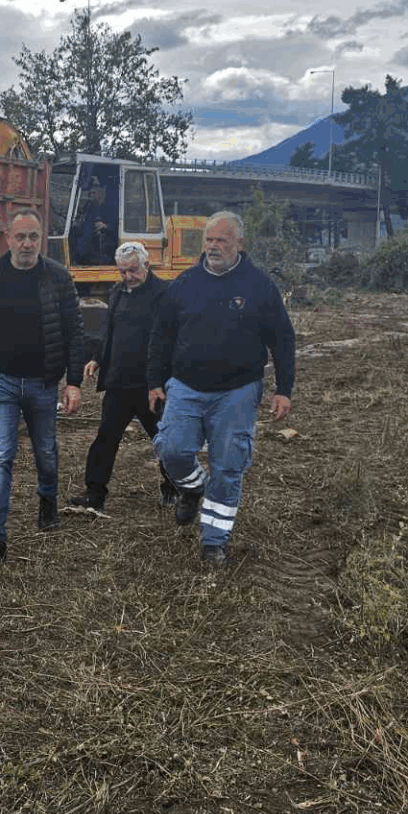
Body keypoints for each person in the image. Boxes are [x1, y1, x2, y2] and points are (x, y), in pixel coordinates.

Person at [148, 211, 295, 565]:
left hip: (237, 390)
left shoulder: (259, 286)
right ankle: (193, 487)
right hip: (186, 386)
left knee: (228, 465)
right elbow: (160, 336)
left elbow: (282, 339)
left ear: (239, 244)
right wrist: (154, 382)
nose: (213, 247)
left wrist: (283, 389)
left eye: (221, 241)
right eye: (209, 240)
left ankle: (214, 541)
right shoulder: (184, 284)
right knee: (172, 450)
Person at [0, 208, 88, 568]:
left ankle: (48, 499)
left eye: (33, 236)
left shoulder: (58, 278)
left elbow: (74, 332)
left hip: (43, 382)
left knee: (45, 451)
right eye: (20, 237)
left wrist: (73, 382)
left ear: (41, 238)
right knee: (0, 456)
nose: (27, 244)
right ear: (8, 238)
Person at [67, 241, 178, 512]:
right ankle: (95, 493)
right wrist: (97, 359)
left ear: (147, 265)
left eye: (133, 270)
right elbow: (110, 332)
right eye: (123, 271)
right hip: (119, 382)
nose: (128, 276)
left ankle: (174, 488)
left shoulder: (164, 294)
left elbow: (169, 341)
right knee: (105, 439)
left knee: (165, 441)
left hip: (151, 386)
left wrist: (162, 381)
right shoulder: (117, 292)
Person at [69, 179, 117, 265]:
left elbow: (118, 227)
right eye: (90, 191)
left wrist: (105, 226)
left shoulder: (112, 207)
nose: (91, 193)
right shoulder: (88, 206)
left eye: (94, 190)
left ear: (103, 190)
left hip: (103, 248)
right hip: (85, 246)